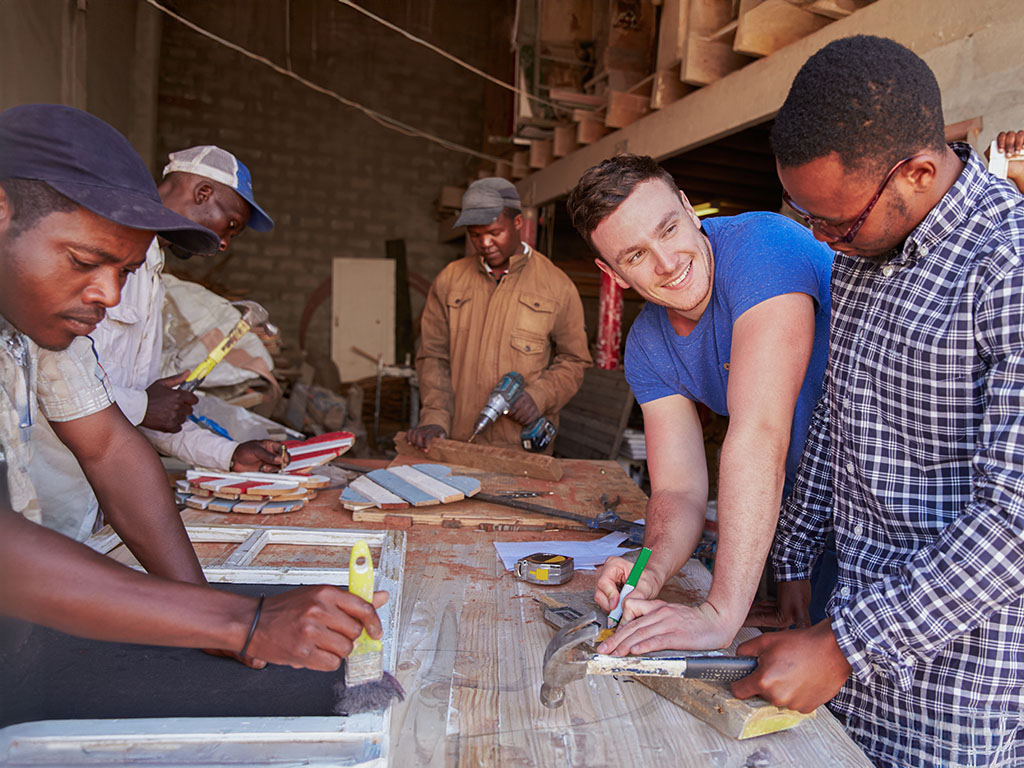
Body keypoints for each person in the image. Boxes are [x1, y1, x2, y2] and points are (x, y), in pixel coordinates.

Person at [0, 103, 385, 670]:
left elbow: (108, 445)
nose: (108, 295)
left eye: (125, 273)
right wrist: (239, 622)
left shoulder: (43, 322)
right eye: (84, 260)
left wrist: (209, 615)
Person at [729, 36, 1024, 767]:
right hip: (846, 649)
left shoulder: (1008, 268)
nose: (825, 242)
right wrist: (793, 564)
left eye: (837, 223)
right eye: (808, 220)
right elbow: (837, 417)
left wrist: (843, 644)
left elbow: (1015, 517)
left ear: (918, 173)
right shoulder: (866, 258)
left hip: (960, 693)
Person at [564, 155, 834, 655]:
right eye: (636, 256)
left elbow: (759, 436)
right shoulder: (648, 345)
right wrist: (648, 569)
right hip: (807, 511)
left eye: (668, 229)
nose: (667, 263)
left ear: (690, 209)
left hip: (896, 498)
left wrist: (719, 613)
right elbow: (679, 488)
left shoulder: (764, 248)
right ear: (612, 273)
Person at [30, 144, 282, 540]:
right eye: (230, 224)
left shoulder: (151, 278)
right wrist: (145, 405)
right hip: (43, 499)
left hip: (94, 504)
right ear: (202, 194)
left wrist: (231, 456)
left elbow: (145, 413)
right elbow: (52, 384)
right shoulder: (103, 257)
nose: (223, 243)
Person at [406, 177, 591, 451]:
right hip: (458, 441)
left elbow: (574, 361)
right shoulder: (450, 281)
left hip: (520, 449)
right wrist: (435, 418)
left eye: (495, 232)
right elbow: (433, 356)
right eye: (475, 235)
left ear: (518, 224)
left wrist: (539, 397)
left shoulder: (557, 286)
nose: (485, 242)